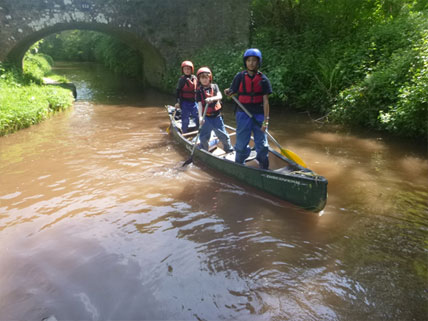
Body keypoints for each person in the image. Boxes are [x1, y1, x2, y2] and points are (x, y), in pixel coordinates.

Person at [224, 48, 272, 169]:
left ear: (258, 62)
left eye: (254, 60)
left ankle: (263, 166)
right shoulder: (239, 77)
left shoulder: (263, 80)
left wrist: (266, 121)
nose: (251, 63)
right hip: (243, 114)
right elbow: (232, 92)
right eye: (249, 60)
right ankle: (240, 164)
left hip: (259, 115)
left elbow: (266, 101)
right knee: (240, 145)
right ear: (245, 62)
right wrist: (228, 92)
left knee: (262, 145)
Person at [196, 67, 234, 153]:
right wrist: (200, 117)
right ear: (199, 79)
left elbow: (220, 96)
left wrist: (212, 98)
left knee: (223, 135)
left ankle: (229, 149)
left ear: (210, 78)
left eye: (206, 77)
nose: (205, 79)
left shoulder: (215, 86)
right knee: (204, 136)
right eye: (202, 77)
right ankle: (204, 150)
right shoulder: (199, 91)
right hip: (206, 118)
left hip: (217, 117)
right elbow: (199, 105)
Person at [175, 60, 199, 133]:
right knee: (185, 119)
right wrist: (177, 102)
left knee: (198, 116)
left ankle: (199, 130)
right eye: (185, 69)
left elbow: (199, 89)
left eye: (188, 69)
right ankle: (184, 132)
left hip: (194, 102)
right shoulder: (181, 80)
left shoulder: (195, 78)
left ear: (191, 70)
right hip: (184, 103)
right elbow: (177, 92)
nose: (187, 70)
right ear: (183, 70)